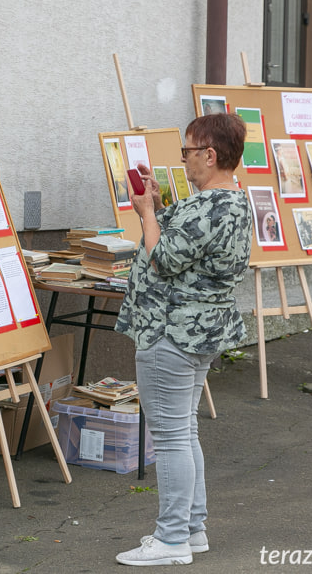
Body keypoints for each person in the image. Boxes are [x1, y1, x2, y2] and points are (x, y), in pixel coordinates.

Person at [113, 113, 253, 567]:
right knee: (184, 430)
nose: (185, 161)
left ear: (209, 155)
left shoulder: (210, 206)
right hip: (199, 332)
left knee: (171, 436)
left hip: (170, 331)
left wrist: (148, 212)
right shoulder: (231, 201)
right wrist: (157, 204)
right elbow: (183, 239)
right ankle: (193, 530)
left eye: (188, 153)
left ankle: (172, 539)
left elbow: (163, 258)